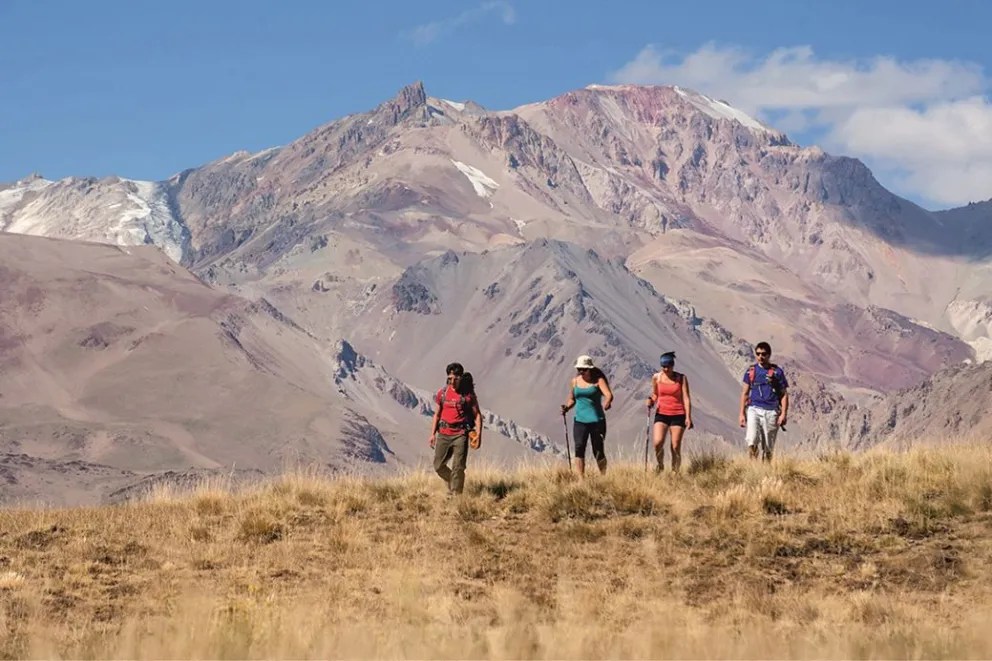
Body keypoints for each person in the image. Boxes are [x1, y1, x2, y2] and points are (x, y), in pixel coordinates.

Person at [429, 362, 483, 495]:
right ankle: (452, 482)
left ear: (460, 378)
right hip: (444, 433)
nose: (452, 382)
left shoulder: (468, 396)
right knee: (438, 466)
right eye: (450, 378)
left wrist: (479, 435)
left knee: (458, 467)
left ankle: (456, 496)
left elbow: (477, 415)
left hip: (460, 434)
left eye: (456, 379)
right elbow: (437, 414)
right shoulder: (442, 394)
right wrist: (432, 434)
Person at [560, 355, 613, 476]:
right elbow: (572, 399)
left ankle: (603, 476)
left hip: (597, 421)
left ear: (590, 369)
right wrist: (567, 407)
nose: (581, 372)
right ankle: (581, 479)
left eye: (583, 369)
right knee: (579, 447)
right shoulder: (575, 381)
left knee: (598, 450)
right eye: (579, 369)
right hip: (580, 420)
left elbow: (609, 394)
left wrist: (607, 402)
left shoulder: (598, 381)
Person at [738, 341, 789, 462]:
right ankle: (753, 466)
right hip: (754, 409)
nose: (760, 356)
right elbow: (745, 393)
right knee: (752, 439)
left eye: (763, 354)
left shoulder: (777, 372)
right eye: (758, 354)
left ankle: (765, 468)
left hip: (771, 411)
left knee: (768, 446)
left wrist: (783, 414)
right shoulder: (750, 372)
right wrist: (742, 413)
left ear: (769, 355)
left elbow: (784, 395)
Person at [645, 351, 693, 472]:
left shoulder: (681, 378)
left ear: (673, 365)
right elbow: (655, 394)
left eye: (668, 366)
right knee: (657, 443)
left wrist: (688, 417)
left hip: (678, 414)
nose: (666, 369)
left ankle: (675, 471)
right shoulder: (656, 378)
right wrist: (651, 401)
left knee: (675, 445)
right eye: (664, 366)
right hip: (661, 413)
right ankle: (660, 465)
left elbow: (686, 398)